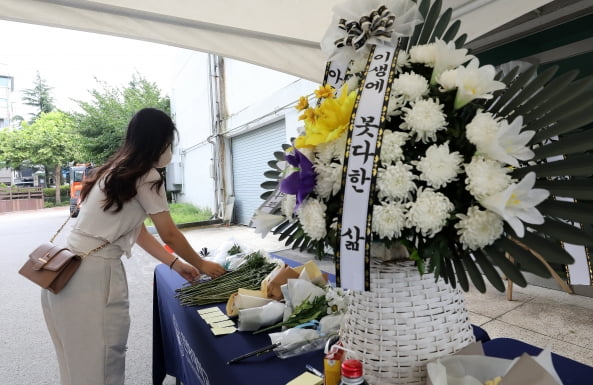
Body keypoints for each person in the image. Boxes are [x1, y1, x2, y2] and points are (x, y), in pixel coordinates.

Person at [41, 107, 226, 385]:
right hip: (93, 280)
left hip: (64, 274)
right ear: (160, 141)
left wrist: (175, 264)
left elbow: (136, 231)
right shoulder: (147, 177)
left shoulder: (116, 171)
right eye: (169, 141)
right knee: (102, 367)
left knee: (76, 368)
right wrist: (202, 264)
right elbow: (170, 235)